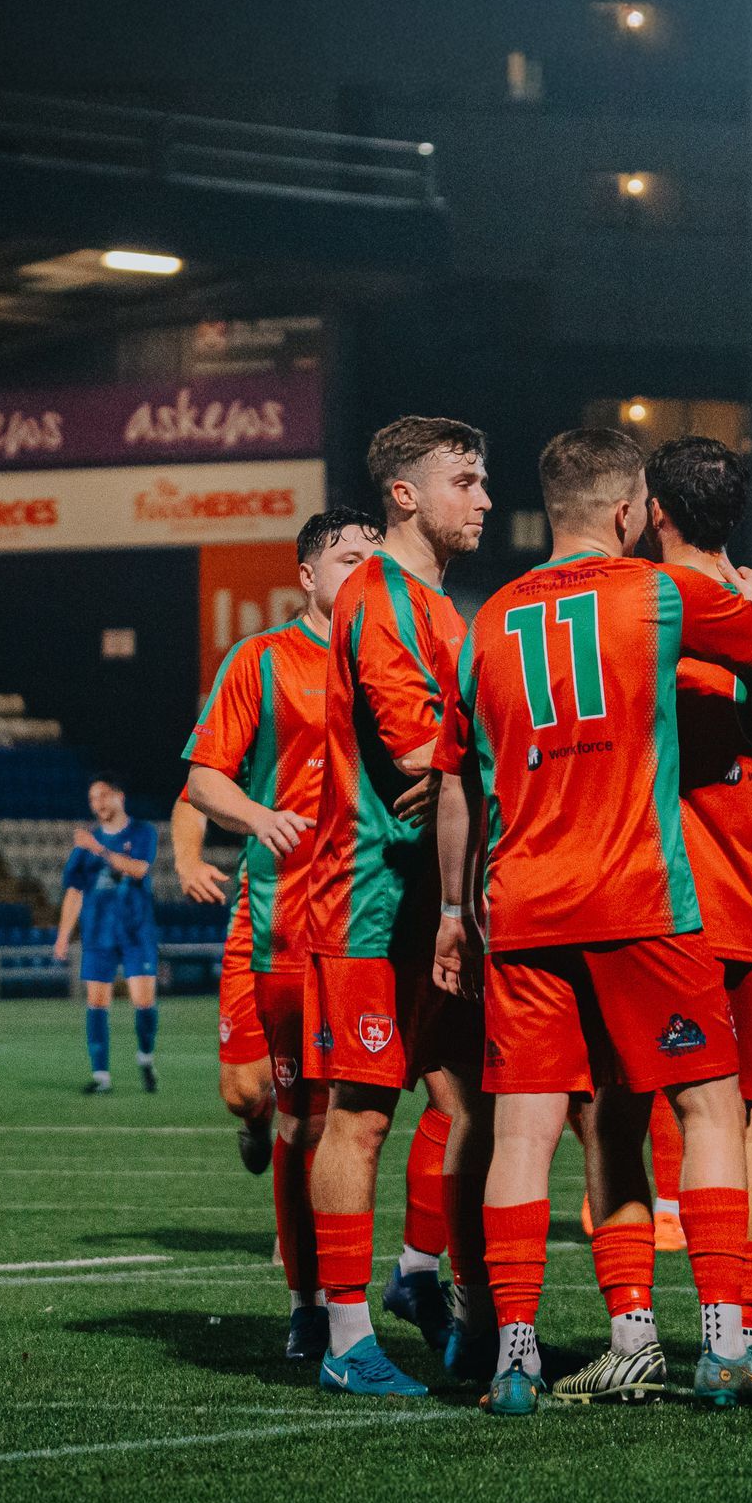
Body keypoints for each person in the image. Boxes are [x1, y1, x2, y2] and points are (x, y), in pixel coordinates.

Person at [431, 426, 752, 1416]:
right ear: (629, 510)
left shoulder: (488, 621)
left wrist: (451, 909)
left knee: (526, 1130)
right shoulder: (660, 595)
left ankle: (517, 1357)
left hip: (520, 907)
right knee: (709, 1108)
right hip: (640, 895)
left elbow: (459, 785)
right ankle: (726, 1345)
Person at [552, 435, 752, 1406]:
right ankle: (738, 1332)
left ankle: (634, 1331)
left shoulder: (635, 606)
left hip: (653, 897)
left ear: (650, 509)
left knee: (618, 1114)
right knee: (747, 1124)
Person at [302, 417, 491, 1398]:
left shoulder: (445, 608)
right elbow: (421, 761)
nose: (485, 498)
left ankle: (428, 1281)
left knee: (468, 1099)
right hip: (368, 898)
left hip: (433, 900)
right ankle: (342, 1337)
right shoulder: (381, 598)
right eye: (465, 479)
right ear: (405, 496)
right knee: (363, 1114)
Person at [184, 509, 382, 1357]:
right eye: (346, 557)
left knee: (363, 1116)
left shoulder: (398, 665)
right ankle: (313, 1299)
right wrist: (258, 816)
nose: (363, 571)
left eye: (376, 558)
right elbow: (202, 780)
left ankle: (394, 1293)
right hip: (282, 921)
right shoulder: (262, 661)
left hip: (374, 921)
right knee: (273, 1105)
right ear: (307, 575)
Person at [170, 796, 267, 1174]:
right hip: (260, 921)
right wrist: (188, 861)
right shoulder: (263, 738)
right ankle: (258, 1117)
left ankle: (301, 1233)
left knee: (322, 1098)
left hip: (350, 913)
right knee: (241, 1092)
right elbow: (195, 794)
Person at [56, 774, 160, 1094]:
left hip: (135, 932)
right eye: (92, 799)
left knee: (143, 1002)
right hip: (98, 934)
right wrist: (62, 937)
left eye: (102, 796)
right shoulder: (84, 848)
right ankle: (101, 1075)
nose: (97, 804)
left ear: (119, 797)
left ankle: (145, 1056)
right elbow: (74, 893)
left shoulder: (142, 832)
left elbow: (139, 869)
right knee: (96, 1002)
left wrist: (99, 849)